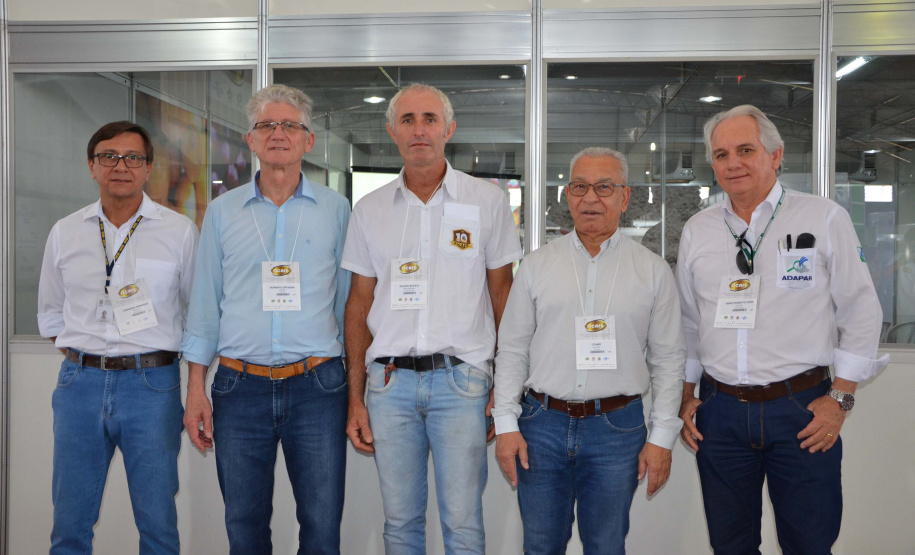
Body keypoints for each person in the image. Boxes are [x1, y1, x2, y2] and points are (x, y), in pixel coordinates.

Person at [677, 104, 888, 555]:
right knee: (730, 546)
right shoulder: (699, 230)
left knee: (809, 544)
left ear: (775, 155)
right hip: (721, 411)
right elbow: (690, 321)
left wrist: (841, 399)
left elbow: (861, 311)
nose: (732, 163)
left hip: (802, 410)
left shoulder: (822, 218)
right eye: (720, 154)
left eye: (745, 150)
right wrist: (686, 395)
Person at [343, 83, 522, 554]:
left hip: (462, 384)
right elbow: (358, 305)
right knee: (400, 524)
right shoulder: (369, 210)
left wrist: (504, 389)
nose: (419, 130)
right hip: (388, 386)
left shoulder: (487, 201)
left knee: (462, 524)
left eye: (429, 119)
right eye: (407, 120)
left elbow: (502, 293)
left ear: (449, 130)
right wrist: (355, 396)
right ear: (392, 133)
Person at [181, 84, 351, 555]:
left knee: (321, 525)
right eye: (266, 126)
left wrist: (356, 387)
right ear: (251, 140)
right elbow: (204, 303)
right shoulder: (221, 212)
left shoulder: (337, 211)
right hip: (239, 389)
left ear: (308, 141)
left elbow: (347, 306)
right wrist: (196, 389)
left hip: (318, 385)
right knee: (244, 525)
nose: (279, 134)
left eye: (290, 125)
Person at [494, 147, 686, 555]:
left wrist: (663, 437)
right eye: (580, 187)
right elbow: (511, 350)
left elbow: (669, 360)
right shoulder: (536, 266)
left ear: (625, 197)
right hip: (540, 425)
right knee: (541, 545)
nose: (590, 198)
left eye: (604, 187)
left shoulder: (653, 271)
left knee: (606, 545)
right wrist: (507, 423)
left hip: (617, 430)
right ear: (567, 195)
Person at [37, 120, 198, 554]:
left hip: (152, 386)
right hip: (80, 385)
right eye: (108, 156)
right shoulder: (65, 232)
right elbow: (50, 313)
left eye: (133, 157)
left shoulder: (178, 232)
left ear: (148, 169)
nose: (120, 166)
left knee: (158, 523)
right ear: (92, 166)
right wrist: (84, 354)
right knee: (70, 522)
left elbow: (196, 311)